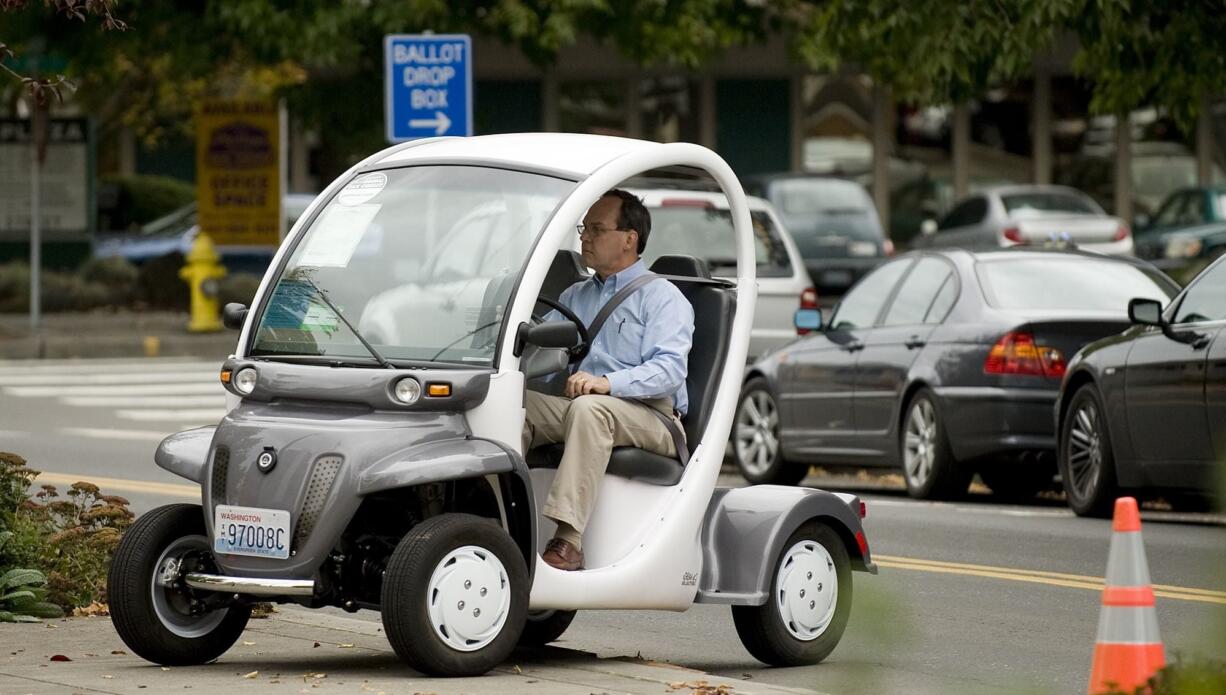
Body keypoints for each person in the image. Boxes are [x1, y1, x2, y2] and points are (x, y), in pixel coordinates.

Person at [522, 189, 695, 571]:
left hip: (652, 416)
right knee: (515, 406)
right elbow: (542, 356)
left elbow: (669, 372)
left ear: (629, 239)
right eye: (585, 228)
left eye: (597, 229)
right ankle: (493, 517)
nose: (585, 237)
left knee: (589, 409)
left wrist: (609, 383)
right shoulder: (575, 294)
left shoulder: (663, 298)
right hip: (585, 405)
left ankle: (568, 541)